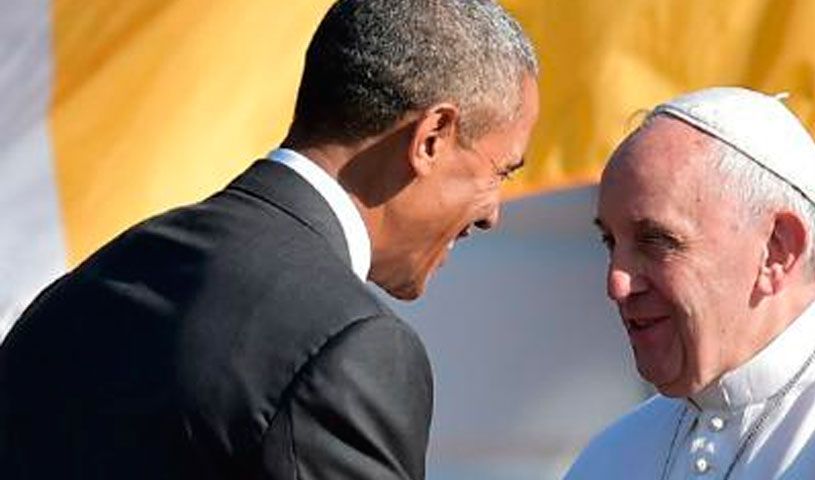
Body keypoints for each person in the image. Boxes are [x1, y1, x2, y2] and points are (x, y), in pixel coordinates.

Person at [0, 1, 538, 479]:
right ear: (432, 138)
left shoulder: (85, 290)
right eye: (501, 171)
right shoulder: (348, 344)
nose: (493, 212)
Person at [566, 87, 815, 479]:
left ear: (777, 249)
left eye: (656, 241)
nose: (617, 283)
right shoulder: (611, 456)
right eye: (610, 242)